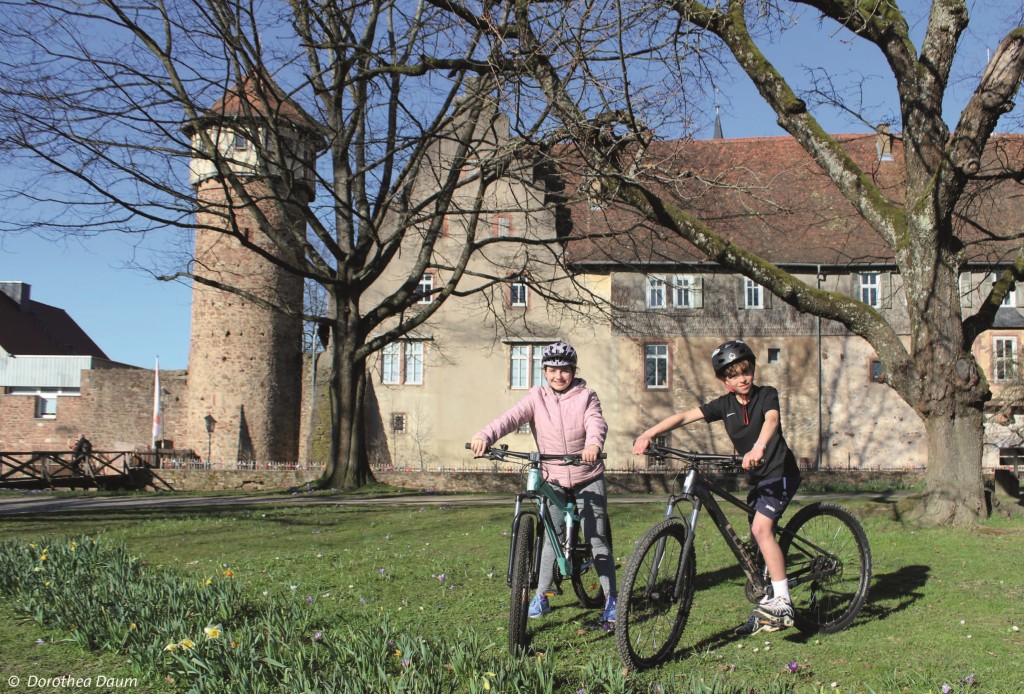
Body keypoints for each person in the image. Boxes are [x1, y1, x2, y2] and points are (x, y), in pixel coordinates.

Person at [632, 340, 802, 636]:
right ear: (724, 381)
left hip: (780, 472)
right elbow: (685, 416)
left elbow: (772, 420)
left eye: (745, 371)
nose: (742, 379)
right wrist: (649, 433)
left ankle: (783, 600)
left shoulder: (766, 395)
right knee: (757, 539)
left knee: (761, 529)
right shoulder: (724, 405)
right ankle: (766, 601)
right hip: (758, 478)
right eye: (733, 375)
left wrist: (759, 446)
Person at [470, 342, 618, 629]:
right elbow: (511, 418)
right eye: (552, 370)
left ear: (573, 371)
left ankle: (612, 599)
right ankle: (542, 595)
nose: (558, 376)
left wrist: (593, 445)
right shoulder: (536, 397)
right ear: (544, 371)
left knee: (596, 538)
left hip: (587, 474)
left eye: (564, 370)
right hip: (554, 476)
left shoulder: (587, 396)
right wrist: (485, 435)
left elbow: (596, 422)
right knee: (552, 535)